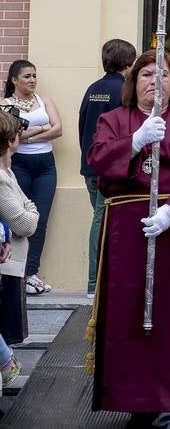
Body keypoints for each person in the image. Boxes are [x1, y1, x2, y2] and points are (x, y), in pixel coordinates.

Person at [87, 50, 170, 428]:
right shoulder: (113, 119)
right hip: (127, 232)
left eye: (162, 74)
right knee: (130, 314)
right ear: (133, 82)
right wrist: (133, 141)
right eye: (146, 74)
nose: (154, 81)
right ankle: (137, 400)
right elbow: (97, 158)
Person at [78, 38, 136, 298]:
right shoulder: (124, 90)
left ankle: (101, 280)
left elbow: (82, 127)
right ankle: (94, 284)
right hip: (110, 168)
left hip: (90, 165)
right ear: (129, 62)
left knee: (100, 219)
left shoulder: (93, 88)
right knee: (102, 221)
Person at [1, 60, 62, 295]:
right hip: (19, 166)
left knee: (41, 219)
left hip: (46, 165)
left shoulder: (44, 100)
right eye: (27, 76)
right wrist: (39, 129)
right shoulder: (4, 104)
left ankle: (31, 273)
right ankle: (15, 273)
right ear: (14, 80)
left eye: (34, 76)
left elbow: (58, 129)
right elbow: (9, 132)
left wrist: (28, 135)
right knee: (18, 218)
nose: (32, 80)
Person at [0, 110, 39, 366]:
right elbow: (25, 223)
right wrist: (30, 211)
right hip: (7, 269)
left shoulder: (9, 174)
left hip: (14, 267)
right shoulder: (2, 179)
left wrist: (29, 210)